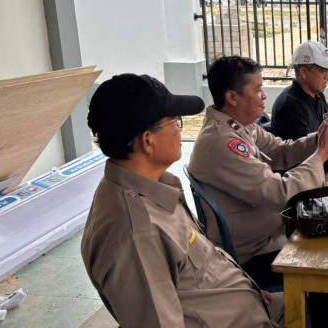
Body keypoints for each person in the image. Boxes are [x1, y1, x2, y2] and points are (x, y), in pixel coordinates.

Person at [82, 74, 284, 327]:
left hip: (249, 306)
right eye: (176, 123)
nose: (180, 130)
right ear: (148, 140)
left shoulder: (153, 187)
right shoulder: (137, 234)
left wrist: (248, 295)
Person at [188, 56, 328, 326]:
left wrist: (318, 139)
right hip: (253, 252)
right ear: (232, 97)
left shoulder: (241, 126)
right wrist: (322, 153)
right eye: (257, 90)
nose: (264, 96)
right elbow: (281, 193)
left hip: (268, 232)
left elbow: (282, 152)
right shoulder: (221, 142)